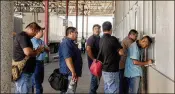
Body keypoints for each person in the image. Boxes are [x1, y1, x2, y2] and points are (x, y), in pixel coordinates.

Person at [13, 22, 45, 93]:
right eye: (36, 32)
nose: (35, 35)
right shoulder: (23, 36)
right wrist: (38, 51)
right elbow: (28, 52)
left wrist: (36, 51)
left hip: (25, 71)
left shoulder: (24, 37)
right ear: (33, 29)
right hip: (24, 72)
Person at [99, 21, 124, 93]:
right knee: (113, 90)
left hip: (104, 69)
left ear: (103, 29)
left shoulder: (101, 39)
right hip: (112, 70)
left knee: (107, 88)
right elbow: (121, 52)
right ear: (111, 29)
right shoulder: (112, 39)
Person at [59, 27, 83, 93]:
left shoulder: (71, 42)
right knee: (70, 91)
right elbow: (68, 58)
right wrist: (73, 72)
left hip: (71, 72)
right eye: (76, 32)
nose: (77, 34)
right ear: (70, 33)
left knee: (70, 90)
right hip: (69, 73)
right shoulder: (66, 43)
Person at [119, 29, 138, 94]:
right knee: (123, 83)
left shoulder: (126, 39)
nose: (136, 38)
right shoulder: (129, 41)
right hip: (123, 65)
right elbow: (134, 53)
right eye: (135, 36)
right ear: (131, 35)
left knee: (123, 82)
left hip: (122, 64)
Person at [31, 29, 49, 94]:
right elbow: (39, 48)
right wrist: (43, 47)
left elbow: (47, 49)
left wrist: (43, 47)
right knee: (37, 81)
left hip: (41, 63)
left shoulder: (41, 41)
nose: (43, 33)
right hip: (36, 63)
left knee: (40, 80)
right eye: (41, 32)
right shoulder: (33, 40)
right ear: (37, 32)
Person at [86, 24, 101, 94]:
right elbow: (88, 49)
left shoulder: (99, 38)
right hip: (94, 63)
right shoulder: (91, 38)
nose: (97, 30)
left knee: (97, 78)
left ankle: (94, 91)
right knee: (94, 79)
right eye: (95, 28)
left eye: (98, 28)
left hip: (99, 62)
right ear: (93, 30)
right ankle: (92, 92)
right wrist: (93, 59)